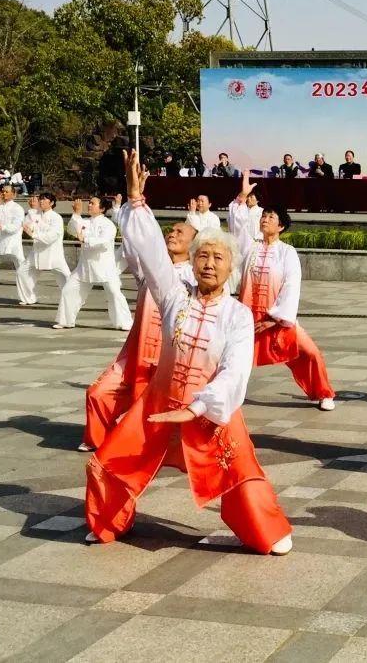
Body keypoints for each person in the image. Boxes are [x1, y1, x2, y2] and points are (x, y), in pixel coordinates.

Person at [85, 150, 293, 555]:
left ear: (230, 269)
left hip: (210, 411)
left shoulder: (237, 316)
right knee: (107, 462)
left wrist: (200, 407)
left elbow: (235, 373)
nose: (208, 264)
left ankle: (266, 532)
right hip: (159, 403)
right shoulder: (174, 299)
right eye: (202, 256)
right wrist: (135, 201)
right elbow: (153, 256)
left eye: (218, 258)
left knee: (242, 476)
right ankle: (110, 521)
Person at [82, 207, 197, 451]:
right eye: (171, 230)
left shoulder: (193, 276)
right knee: (98, 393)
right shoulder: (150, 269)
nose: (172, 234)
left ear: (193, 244)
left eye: (180, 232)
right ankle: (101, 441)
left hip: (170, 356)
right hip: (136, 353)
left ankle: (163, 445)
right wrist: (134, 205)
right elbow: (135, 244)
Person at [228, 174, 337, 410]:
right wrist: (243, 196)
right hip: (247, 320)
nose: (265, 219)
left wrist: (276, 318)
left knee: (309, 353)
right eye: (264, 215)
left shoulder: (287, 252)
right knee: (230, 358)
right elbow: (237, 226)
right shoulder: (250, 247)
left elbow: (292, 285)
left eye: (271, 217)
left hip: (277, 320)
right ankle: (220, 396)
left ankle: (323, 393)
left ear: (281, 226)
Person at [53, 196, 132, 331]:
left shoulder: (108, 225)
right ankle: (65, 321)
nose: (89, 205)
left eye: (92, 203)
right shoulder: (85, 222)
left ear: (101, 208)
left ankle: (124, 322)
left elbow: (104, 241)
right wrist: (76, 213)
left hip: (104, 267)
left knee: (114, 293)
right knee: (68, 290)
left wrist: (86, 239)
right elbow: (73, 230)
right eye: (88, 203)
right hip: (84, 267)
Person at [16, 192, 71, 305]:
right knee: (22, 272)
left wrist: (34, 234)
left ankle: (74, 299)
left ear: (51, 203)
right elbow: (26, 224)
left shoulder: (56, 218)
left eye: (44, 200)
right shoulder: (36, 214)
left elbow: (51, 236)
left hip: (52, 253)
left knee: (66, 276)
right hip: (36, 252)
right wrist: (31, 210)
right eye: (40, 199)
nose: (41, 201)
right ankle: (28, 298)